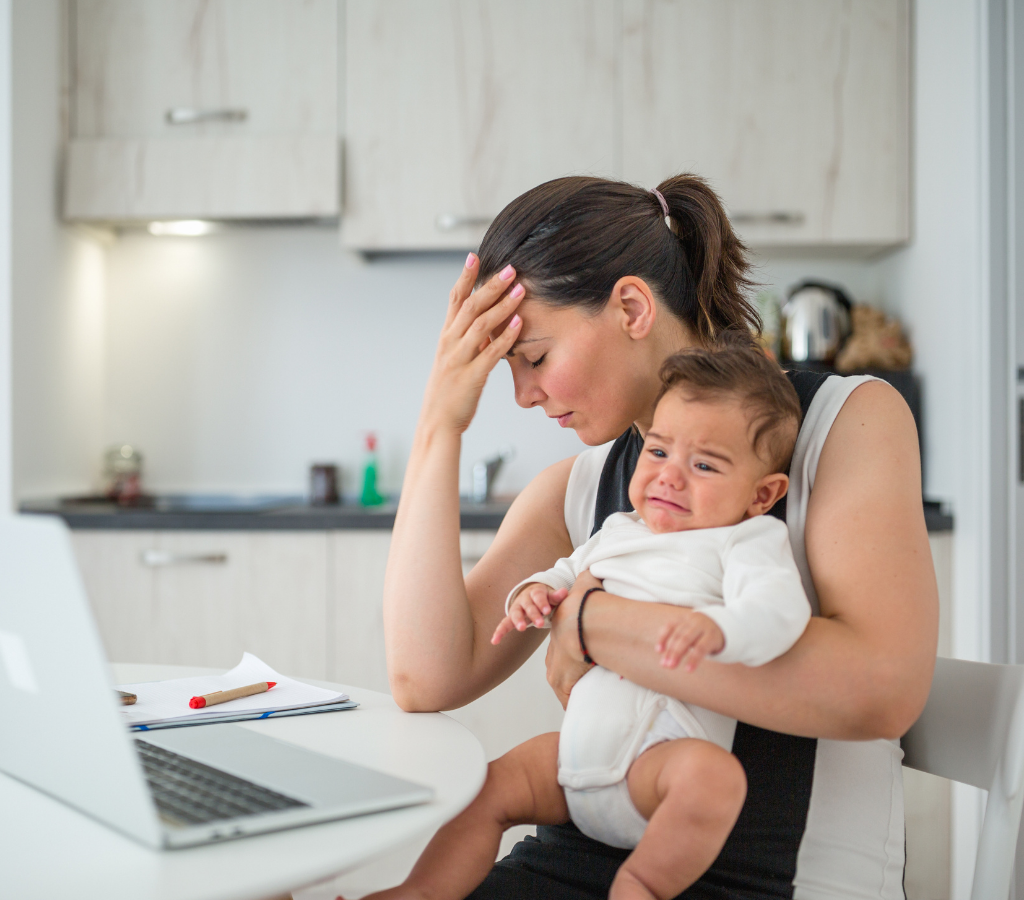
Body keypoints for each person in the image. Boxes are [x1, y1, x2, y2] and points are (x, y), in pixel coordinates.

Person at [382, 174, 938, 898]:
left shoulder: (845, 422)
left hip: (773, 883)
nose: (521, 395)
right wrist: (438, 425)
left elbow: (882, 689)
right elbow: (426, 677)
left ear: (632, 307)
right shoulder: (575, 488)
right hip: (574, 861)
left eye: (536, 358)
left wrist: (586, 621)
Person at [365, 340, 811, 900]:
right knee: (490, 785)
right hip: (577, 754)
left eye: (703, 465)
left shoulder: (746, 540)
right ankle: (422, 891)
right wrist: (533, 593)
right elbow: (567, 571)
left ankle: (641, 885)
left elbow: (780, 611)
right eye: (657, 452)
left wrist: (724, 630)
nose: (670, 477)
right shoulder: (621, 527)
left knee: (715, 782)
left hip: (659, 763)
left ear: (761, 494)